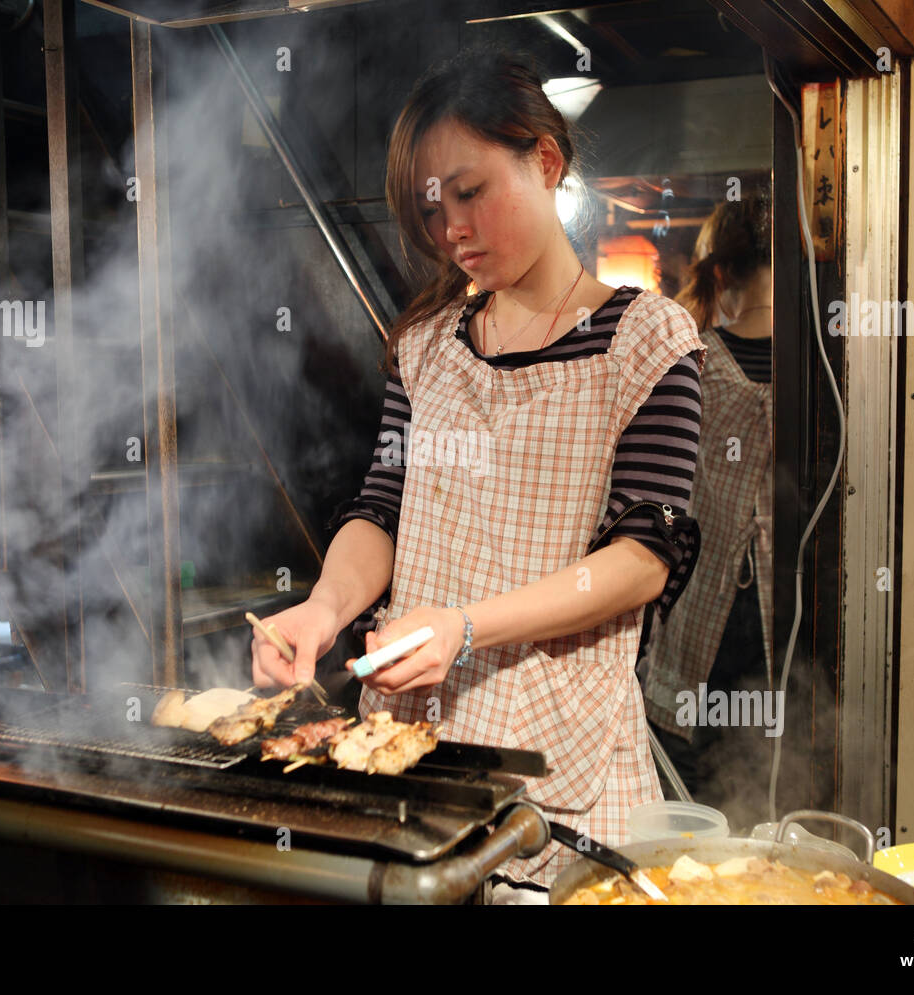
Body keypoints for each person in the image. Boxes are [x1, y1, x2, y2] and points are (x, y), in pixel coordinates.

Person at [251, 48, 706, 895]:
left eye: (470, 193)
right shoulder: (424, 348)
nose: (450, 230)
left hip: (563, 770)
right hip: (411, 754)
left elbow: (643, 556)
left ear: (545, 159)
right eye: (431, 210)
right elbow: (381, 508)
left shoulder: (648, 342)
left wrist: (465, 626)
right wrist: (324, 606)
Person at [640, 195, 774, 826]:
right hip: (784, 637)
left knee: (691, 819)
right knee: (772, 802)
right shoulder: (823, 369)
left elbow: (660, 506)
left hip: (694, 626)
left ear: (720, 274)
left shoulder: (693, 364)